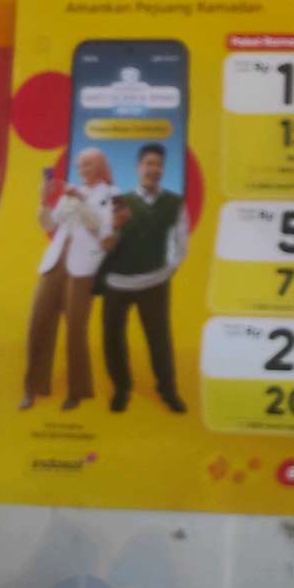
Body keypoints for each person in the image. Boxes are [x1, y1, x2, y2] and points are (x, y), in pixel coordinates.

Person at [22, 148, 118, 411]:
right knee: (38, 323)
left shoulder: (113, 194)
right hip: (56, 261)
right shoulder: (70, 192)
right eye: (79, 165)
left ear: (100, 166)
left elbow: (103, 230)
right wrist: (44, 200)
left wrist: (82, 201)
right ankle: (33, 388)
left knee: (75, 330)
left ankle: (77, 392)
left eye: (87, 164)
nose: (81, 169)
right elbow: (50, 225)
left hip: (84, 267)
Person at [100, 142, 190, 414]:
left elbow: (181, 242)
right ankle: (121, 389)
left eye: (159, 164)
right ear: (139, 167)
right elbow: (104, 241)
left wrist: (167, 270)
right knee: (113, 339)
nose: (154, 169)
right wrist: (113, 228)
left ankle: (168, 390)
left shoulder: (175, 203)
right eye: (149, 163)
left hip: (154, 283)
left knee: (159, 339)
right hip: (116, 283)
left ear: (163, 170)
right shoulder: (119, 202)